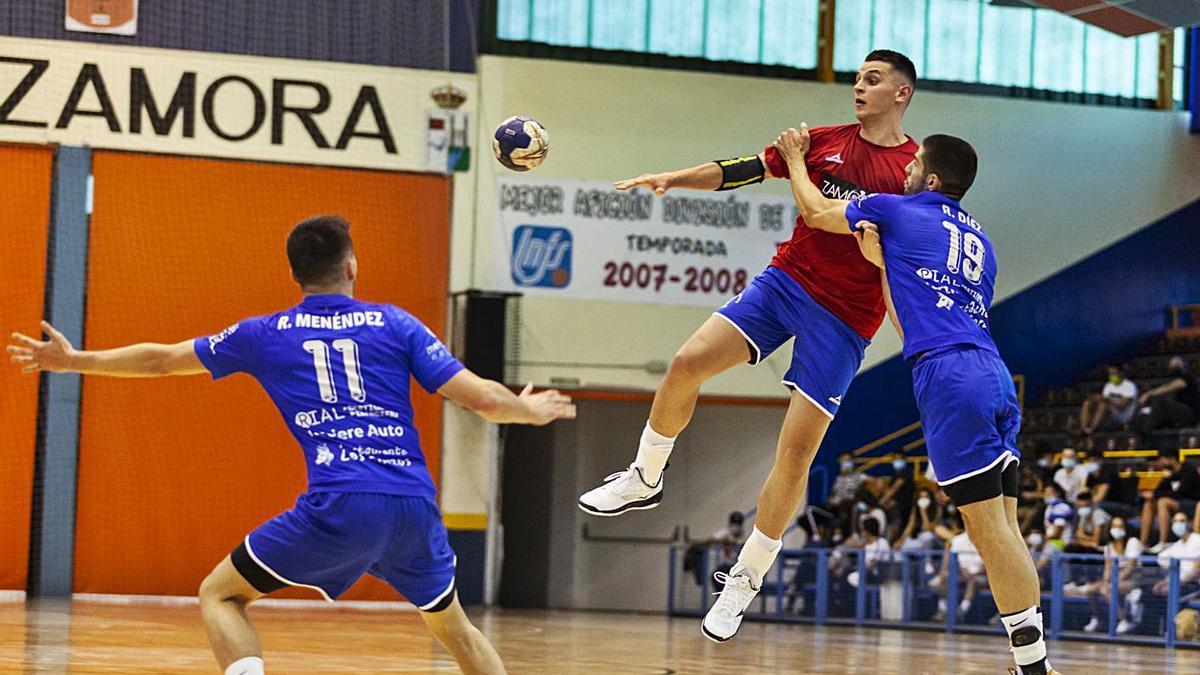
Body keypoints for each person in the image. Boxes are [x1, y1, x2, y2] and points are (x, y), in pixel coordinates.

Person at [7, 215, 577, 675]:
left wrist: (75, 360)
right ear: (351, 265)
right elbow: (480, 398)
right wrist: (529, 410)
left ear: (295, 275)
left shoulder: (265, 333)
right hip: (412, 505)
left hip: (340, 502)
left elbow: (160, 360)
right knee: (454, 630)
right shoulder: (395, 324)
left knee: (220, 595)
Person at [576, 50, 921, 644]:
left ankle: (743, 582)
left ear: (901, 95)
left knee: (794, 455)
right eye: (857, 78)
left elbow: (851, 227)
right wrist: (673, 178)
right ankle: (645, 475)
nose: (858, 88)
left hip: (845, 318)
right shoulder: (822, 140)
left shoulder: (913, 171)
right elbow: (740, 170)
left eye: (872, 80)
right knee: (686, 363)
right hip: (786, 282)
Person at [774, 127, 1056, 674]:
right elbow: (916, 314)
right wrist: (885, 266)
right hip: (992, 372)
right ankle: (1029, 660)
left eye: (913, 163)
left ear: (930, 177)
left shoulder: (895, 210)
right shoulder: (981, 242)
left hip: (950, 377)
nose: (902, 169)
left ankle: (1035, 669)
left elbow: (814, 213)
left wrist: (794, 162)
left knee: (991, 533)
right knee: (1001, 529)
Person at [1082, 517, 1142, 633]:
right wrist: (1105, 580)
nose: (1117, 529)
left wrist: (1113, 581)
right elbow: (1108, 567)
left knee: (1106, 590)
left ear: (1125, 528)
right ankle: (1097, 618)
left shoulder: (1132, 541)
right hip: (1115, 578)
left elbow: (1131, 566)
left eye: (1120, 526)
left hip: (1132, 578)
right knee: (1091, 590)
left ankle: (1124, 620)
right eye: (1114, 526)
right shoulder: (1109, 546)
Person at [1141, 449, 1200, 552]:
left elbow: (1179, 493)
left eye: (1162, 460)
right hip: (1177, 503)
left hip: (1192, 504)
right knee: (1149, 504)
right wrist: (1165, 479)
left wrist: (1154, 494)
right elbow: (1159, 491)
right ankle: (1143, 543)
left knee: (1162, 502)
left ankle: (1163, 542)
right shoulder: (1170, 473)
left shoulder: (1189, 471)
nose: (1160, 463)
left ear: (1172, 459)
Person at [1133, 356, 1199, 437]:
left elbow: (1172, 386)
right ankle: (1138, 428)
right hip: (1175, 413)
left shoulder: (1186, 376)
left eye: (1177, 363)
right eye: (1172, 364)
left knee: (1158, 400)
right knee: (1150, 405)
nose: (1174, 365)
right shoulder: (1170, 379)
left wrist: (1148, 394)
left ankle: (1145, 431)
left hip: (1190, 412)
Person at [1080, 364, 1138, 435]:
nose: (1111, 376)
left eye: (1114, 373)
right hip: (1109, 413)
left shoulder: (1130, 386)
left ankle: (1091, 429)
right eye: (1110, 374)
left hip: (1123, 416)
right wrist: (1095, 398)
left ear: (1120, 373)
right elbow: (1104, 400)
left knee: (1103, 405)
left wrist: (1108, 401)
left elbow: (1123, 406)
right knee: (1087, 403)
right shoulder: (1108, 385)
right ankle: (1084, 428)